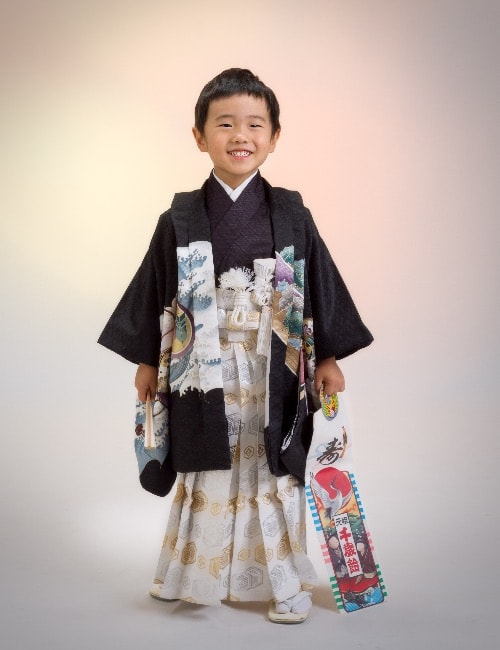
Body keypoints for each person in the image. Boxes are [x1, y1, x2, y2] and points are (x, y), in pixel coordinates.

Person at [98, 68, 373, 624]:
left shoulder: (291, 213)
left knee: (274, 464)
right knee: (207, 463)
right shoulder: (180, 217)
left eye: (255, 124)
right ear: (199, 136)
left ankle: (283, 581)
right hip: (203, 367)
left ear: (274, 136)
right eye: (224, 124)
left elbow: (319, 284)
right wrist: (147, 360)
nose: (240, 135)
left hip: (275, 366)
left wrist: (327, 356)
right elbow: (155, 287)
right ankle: (190, 571)